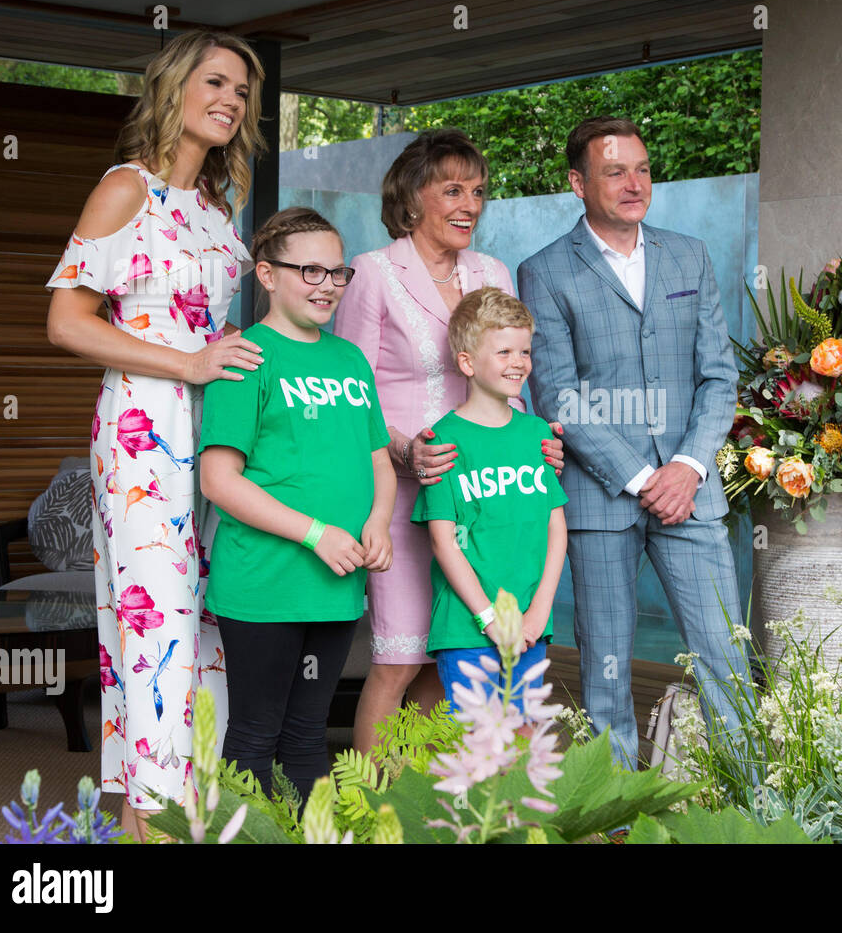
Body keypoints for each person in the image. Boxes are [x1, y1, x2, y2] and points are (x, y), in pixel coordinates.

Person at [45, 30, 267, 833]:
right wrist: (187, 365)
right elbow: (67, 322)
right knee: (155, 621)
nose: (232, 101)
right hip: (145, 421)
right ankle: (151, 822)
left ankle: (193, 815)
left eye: (242, 91)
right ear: (174, 88)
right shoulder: (124, 187)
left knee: (204, 622)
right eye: (216, 82)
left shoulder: (214, 206)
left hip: (217, 428)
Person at [517, 116, 749, 769]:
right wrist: (642, 478)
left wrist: (686, 467)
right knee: (607, 681)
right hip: (601, 501)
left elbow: (718, 375)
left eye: (642, 169)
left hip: (691, 496)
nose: (633, 182)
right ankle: (613, 820)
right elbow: (557, 395)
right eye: (615, 170)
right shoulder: (544, 271)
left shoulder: (689, 254)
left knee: (727, 664)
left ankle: (748, 813)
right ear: (578, 183)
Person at [334, 128, 563, 751]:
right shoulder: (372, 274)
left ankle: (427, 795)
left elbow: (508, 364)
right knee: (401, 656)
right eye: (453, 190)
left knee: (458, 651)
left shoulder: (492, 271)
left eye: (479, 191)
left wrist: (537, 440)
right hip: (405, 492)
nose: (470, 204)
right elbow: (352, 390)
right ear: (413, 197)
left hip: (491, 497)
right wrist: (405, 449)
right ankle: (374, 805)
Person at [198, 207, 396, 802]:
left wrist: (379, 523)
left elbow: (379, 463)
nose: (328, 285)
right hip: (265, 588)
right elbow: (219, 480)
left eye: (338, 273)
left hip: (336, 586)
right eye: (310, 271)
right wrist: (316, 534)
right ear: (266, 274)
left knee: (310, 737)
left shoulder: (349, 360)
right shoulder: (247, 359)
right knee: (256, 736)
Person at [410, 287, 567, 711]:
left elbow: (556, 529)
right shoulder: (442, 441)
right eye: (503, 352)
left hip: (531, 626)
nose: (518, 363)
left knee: (522, 748)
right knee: (476, 751)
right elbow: (443, 542)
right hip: (468, 628)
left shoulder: (537, 435)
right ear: (467, 362)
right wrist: (489, 619)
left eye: (524, 351)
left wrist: (539, 611)